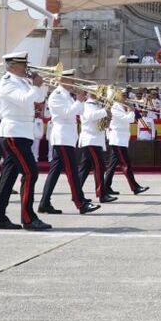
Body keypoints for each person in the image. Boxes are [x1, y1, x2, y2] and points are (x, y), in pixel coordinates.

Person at [0, 52, 51, 230]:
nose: (26, 67)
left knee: (8, 179)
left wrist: (40, 85)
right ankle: (28, 218)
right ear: (11, 66)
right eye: (22, 64)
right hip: (13, 133)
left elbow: (39, 100)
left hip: (23, 133)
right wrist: (35, 86)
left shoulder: (22, 82)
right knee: (30, 173)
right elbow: (25, 101)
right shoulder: (7, 84)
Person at [39, 70, 99, 215]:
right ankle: (80, 203)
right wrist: (79, 100)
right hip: (62, 137)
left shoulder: (66, 95)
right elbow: (67, 113)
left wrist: (82, 100)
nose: (73, 83)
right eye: (71, 80)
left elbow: (79, 112)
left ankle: (44, 203)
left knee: (54, 172)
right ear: (62, 80)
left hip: (67, 137)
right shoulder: (56, 96)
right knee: (72, 171)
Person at [103, 99, 148, 198]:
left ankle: (105, 186)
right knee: (125, 164)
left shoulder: (121, 107)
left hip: (121, 139)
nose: (124, 98)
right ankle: (135, 187)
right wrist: (131, 110)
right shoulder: (115, 108)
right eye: (122, 96)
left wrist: (129, 109)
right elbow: (129, 120)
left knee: (112, 166)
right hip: (117, 139)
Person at [77, 90, 115, 203]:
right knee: (99, 167)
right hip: (90, 140)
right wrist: (105, 111)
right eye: (96, 92)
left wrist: (107, 117)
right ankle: (102, 194)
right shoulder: (87, 104)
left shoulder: (97, 105)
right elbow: (89, 117)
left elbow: (100, 121)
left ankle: (77, 194)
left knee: (84, 169)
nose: (99, 93)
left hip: (95, 140)